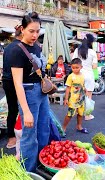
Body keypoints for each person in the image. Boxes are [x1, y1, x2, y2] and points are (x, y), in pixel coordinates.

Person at [11, 12, 50, 172]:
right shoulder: (17, 51)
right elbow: (17, 84)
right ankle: (28, 171)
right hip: (28, 93)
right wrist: (26, 111)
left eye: (37, 31)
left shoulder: (37, 46)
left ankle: (41, 163)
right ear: (22, 29)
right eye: (31, 31)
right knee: (29, 135)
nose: (35, 35)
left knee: (43, 129)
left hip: (41, 94)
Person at [2, 24, 23, 149]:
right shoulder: (20, 47)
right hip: (16, 81)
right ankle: (18, 135)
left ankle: (11, 137)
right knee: (23, 108)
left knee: (12, 109)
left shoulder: (8, 47)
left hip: (6, 81)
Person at [73, 34, 98, 120]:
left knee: (78, 95)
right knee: (88, 96)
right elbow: (94, 67)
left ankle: (77, 112)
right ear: (91, 42)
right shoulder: (92, 52)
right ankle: (87, 115)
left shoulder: (77, 50)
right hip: (89, 76)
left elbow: (73, 62)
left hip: (79, 76)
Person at [62, 58, 87, 134]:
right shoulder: (70, 76)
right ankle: (63, 128)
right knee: (70, 114)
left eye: (77, 68)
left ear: (81, 67)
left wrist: (85, 89)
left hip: (81, 98)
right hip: (73, 99)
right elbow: (68, 88)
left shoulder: (82, 75)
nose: (75, 69)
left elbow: (82, 85)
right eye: (73, 68)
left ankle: (79, 126)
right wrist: (66, 99)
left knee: (80, 113)